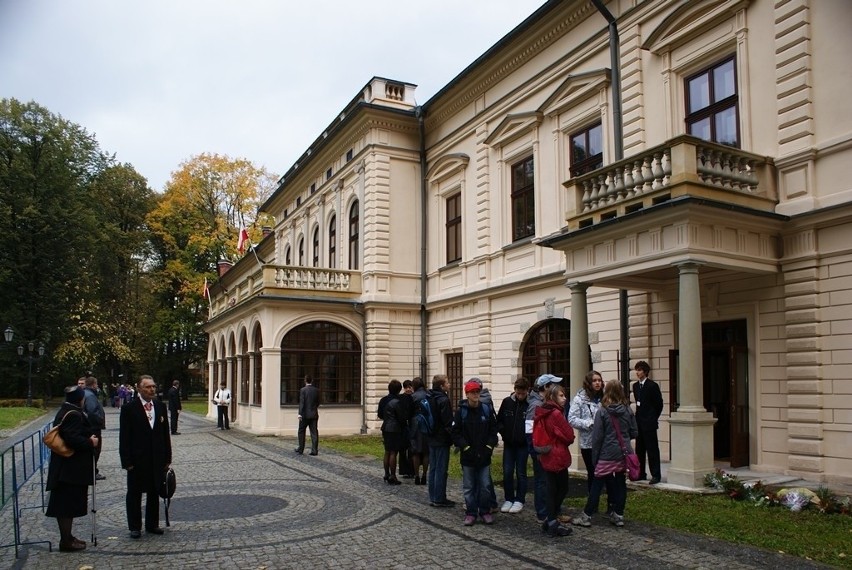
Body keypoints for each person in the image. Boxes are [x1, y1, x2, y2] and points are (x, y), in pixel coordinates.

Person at [573, 380, 638, 528]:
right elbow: (634, 431)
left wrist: (595, 457)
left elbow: (597, 437)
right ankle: (619, 515)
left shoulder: (602, 411)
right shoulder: (628, 410)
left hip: (606, 453)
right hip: (623, 452)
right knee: (621, 483)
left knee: (597, 484)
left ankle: (587, 515)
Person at [45, 385, 99, 552]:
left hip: (66, 468)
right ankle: (66, 540)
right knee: (65, 506)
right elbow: (72, 439)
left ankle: (67, 537)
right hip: (69, 470)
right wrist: (90, 442)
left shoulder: (66, 410)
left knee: (65, 504)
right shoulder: (74, 414)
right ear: (81, 399)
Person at [119, 375, 172, 538]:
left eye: (153, 387)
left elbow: (165, 434)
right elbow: (124, 437)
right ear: (139, 388)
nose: (152, 390)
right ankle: (135, 526)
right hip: (137, 459)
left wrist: (167, 457)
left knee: (154, 492)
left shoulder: (160, 406)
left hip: (156, 458)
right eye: (148, 387)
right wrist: (126, 460)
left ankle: (152, 524)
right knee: (134, 493)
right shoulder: (129, 409)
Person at [451, 380, 498, 526]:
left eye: (477, 391)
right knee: (469, 486)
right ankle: (471, 513)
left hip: (484, 455)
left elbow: (493, 431)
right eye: (473, 392)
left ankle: (485, 511)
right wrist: (466, 448)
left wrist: (489, 448)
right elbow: (455, 433)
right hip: (468, 456)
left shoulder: (486, 409)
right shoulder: (461, 412)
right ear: (467, 394)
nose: (476, 394)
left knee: (485, 486)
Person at [534, 383, 575, 537]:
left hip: (547, 454)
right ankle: (551, 520)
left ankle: (549, 520)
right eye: (561, 395)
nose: (564, 398)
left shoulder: (544, 410)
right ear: (553, 397)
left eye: (564, 395)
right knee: (560, 488)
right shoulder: (556, 414)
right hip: (556, 455)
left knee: (553, 488)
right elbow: (569, 435)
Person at [525, 373, 561, 523]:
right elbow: (528, 430)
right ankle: (542, 513)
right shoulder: (536, 405)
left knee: (548, 481)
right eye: (552, 385)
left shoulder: (544, 402)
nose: (555, 388)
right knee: (541, 481)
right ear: (545, 387)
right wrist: (534, 451)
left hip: (546, 449)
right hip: (539, 450)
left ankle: (550, 511)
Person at [496, 377, 529, 514]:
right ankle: (509, 498)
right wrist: (504, 434)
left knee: (521, 472)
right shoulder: (507, 402)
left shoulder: (530, 404)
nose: (520, 396)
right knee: (507, 471)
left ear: (527, 391)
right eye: (518, 393)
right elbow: (499, 421)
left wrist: (526, 438)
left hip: (523, 445)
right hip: (509, 444)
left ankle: (519, 499)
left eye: (522, 393)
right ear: (515, 390)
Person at [567, 371, 603, 493]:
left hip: (604, 442)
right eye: (594, 381)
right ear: (588, 383)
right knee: (593, 472)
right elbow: (571, 419)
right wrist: (588, 423)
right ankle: (592, 501)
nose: (598, 383)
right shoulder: (579, 399)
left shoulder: (604, 398)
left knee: (605, 473)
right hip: (588, 443)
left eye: (599, 380)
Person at [632, 360, 663, 484]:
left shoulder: (652, 386)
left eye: (639, 370)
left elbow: (658, 404)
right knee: (639, 449)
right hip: (639, 422)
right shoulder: (635, 386)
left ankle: (656, 474)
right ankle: (641, 473)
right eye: (637, 370)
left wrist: (653, 417)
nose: (637, 373)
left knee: (652, 450)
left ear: (645, 372)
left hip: (649, 423)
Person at [426, 374, 455, 508]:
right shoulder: (443, 399)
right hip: (442, 438)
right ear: (442, 386)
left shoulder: (429, 396)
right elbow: (447, 421)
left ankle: (432, 496)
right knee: (441, 469)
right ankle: (439, 498)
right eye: (447, 382)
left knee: (433, 468)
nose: (449, 384)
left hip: (431, 436)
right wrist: (452, 437)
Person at [377, 380, 406, 484]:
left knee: (387, 451)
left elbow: (380, 414)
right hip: (394, 428)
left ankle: (386, 474)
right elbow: (401, 417)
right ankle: (393, 476)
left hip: (385, 427)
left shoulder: (383, 400)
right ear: (399, 390)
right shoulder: (398, 401)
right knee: (393, 452)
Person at [82, 376, 107, 481]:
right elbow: (92, 412)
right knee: (95, 451)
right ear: (93, 384)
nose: (97, 386)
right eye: (96, 384)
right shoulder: (91, 395)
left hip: (88, 427)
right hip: (93, 428)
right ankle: (92, 472)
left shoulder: (85, 393)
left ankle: (90, 471)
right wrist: (100, 420)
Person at [408, 377, 429, 485]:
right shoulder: (428, 394)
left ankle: (416, 475)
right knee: (426, 452)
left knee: (415, 451)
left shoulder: (412, 397)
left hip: (415, 423)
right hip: (426, 423)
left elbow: (409, 411)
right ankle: (425, 475)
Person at [295, 375, 320, 455]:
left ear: (305, 380)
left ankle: (301, 448)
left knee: (301, 431)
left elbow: (302, 403)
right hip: (314, 414)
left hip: (305, 415)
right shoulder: (316, 390)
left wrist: (300, 414)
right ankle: (314, 450)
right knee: (314, 432)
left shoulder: (303, 390)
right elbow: (318, 402)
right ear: (311, 380)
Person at [397, 379, 415, 478]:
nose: (408, 389)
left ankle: (411, 470)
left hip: (411, 425)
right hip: (403, 426)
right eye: (407, 387)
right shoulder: (401, 398)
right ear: (404, 388)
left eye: (410, 387)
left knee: (411, 450)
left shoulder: (413, 397)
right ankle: (404, 470)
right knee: (403, 449)